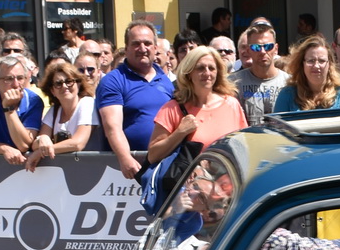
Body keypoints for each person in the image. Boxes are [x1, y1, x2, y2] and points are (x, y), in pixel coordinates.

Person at [146, 45, 248, 207]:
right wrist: (180, 132)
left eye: (211, 68)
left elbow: (244, 149)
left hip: (228, 196)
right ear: (189, 74)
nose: (207, 73)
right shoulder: (173, 108)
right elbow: (153, 155)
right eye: (200, 68)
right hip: (190, 200)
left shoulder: (232, 104)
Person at [97, 21, 176, 179]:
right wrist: (125, 157)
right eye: (136, 44)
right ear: (126, 49)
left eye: (147, 43)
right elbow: (112, 127)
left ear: (155, 48)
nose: (142, 49)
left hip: (166, 165)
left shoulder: (166, 80)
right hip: (130, 170)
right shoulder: (113, 80)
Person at [0, 56, 45, 167]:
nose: (16, 84)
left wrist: (9, 109)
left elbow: (24, 145)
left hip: (28, 168)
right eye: (9, 79)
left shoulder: (34, 101)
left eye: (20, 78)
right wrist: (4, 149)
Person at [29, 59, 95, 168]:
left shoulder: (87, 103)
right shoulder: (54, 111)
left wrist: (41, 151)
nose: (64, 86)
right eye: (58, 83)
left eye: (69, 81)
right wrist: (42, 139)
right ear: (52, 91)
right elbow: (36, 144)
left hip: (91, 168)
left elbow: (78, 143)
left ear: (78, 84)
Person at [275, 35, 340, 112]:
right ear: (302, 64)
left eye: (321, 61)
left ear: (329, 64)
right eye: (310, 61)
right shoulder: (287, 94)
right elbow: (278, 127)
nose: (316, 66)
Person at [232, 22, 290, 126]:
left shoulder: (290, 82)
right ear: (249, 50)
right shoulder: (233, 82)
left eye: (268, 46)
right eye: (256, 47)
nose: (263, 51)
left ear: (276, 49)